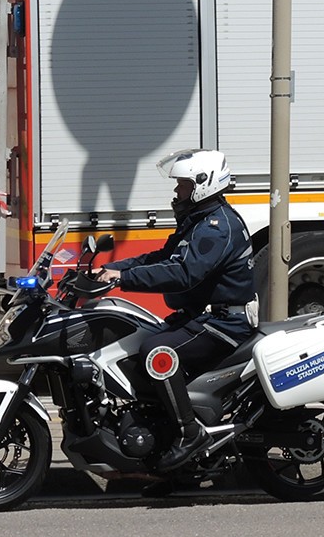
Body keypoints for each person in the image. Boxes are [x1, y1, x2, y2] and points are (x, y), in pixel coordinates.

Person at [97, 148, 255, 471]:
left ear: (202, 184)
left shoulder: (217, 226)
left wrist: (123, 278)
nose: (177, 191)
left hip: (224, 324)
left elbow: (184, 274)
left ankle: (188, 433)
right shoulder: (197, 222)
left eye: (183, 185)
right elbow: (159, 258)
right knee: (139, 338)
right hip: (203, 317)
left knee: (156, 351)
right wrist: (109, 270)